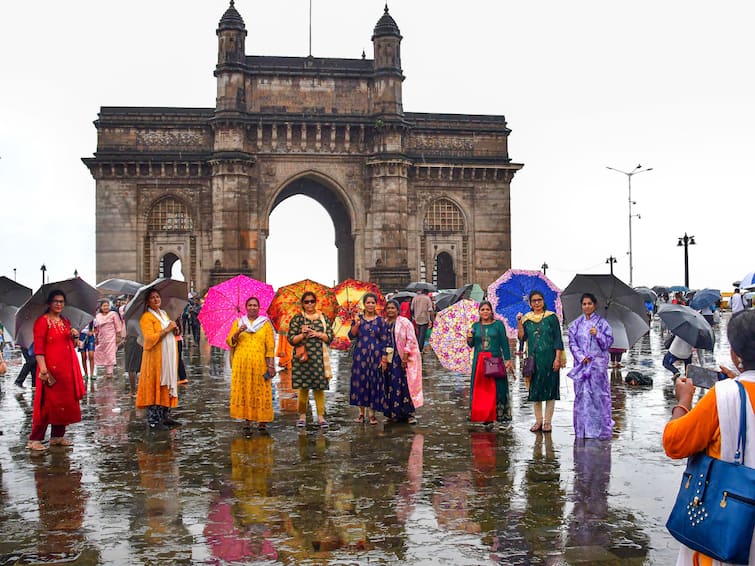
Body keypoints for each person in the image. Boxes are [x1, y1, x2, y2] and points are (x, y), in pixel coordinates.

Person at [663, 309, 755, 564]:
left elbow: (674, 444)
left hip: (730, 525)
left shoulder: (724, 396)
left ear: (736, 354)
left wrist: (683, 401)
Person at [27, 290, 85, 451]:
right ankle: (34, 439)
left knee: (63, 404)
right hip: (49, 370)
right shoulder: (42, 322)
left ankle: (57, 437)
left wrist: (74, 336)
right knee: (46, 405)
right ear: (49, 303)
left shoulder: (65, 321)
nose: (59, 304)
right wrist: (43, 369)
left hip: (66, 370)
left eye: (61, 301)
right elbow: (38, 348)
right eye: (55, 301)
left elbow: (70, 346)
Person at [567, 293, 614, 440]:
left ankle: (600, 429)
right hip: (582, 366)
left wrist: (598, 334)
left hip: (597, 368)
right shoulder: (576, 324)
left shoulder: (602, 323)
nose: (587, 306)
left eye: (589, 303)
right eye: (584, 304)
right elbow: (572, 343)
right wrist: (581, 357)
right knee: (582, 396)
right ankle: (583, 430)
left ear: (595, 305)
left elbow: (608, 343)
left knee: (599, 397)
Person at [517, 290, 564, 433]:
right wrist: (519, 322)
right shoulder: (526, 319)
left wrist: (557, 359)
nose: (537, 303)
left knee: (550, 390)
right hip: (534, 360)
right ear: (530, 303)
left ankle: (548, 423)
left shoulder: (552, 318)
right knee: (535, 391)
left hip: (550, 359)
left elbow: (558, 339)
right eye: (534, 301)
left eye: (539, 300)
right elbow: (522, 338)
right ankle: (538, 421)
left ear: (543, 301)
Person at [226, 297, 275, 432]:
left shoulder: (265, 324)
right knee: (245, 390)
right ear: (245, 307)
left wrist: (271, 365)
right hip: (241, 363)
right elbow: (230, 342)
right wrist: (238, 331)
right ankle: (247, 419)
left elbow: (270, 346)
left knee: (260, 390)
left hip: (260, 363)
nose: (252, 307)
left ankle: (262, 420)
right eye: (250, 305)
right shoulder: (238, 322)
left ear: (259, 308)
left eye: (255, 305)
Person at [135, 289, 181, 431]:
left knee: (167, 384)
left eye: (157, 297)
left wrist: (175, 330)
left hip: (167, 356)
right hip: (155, 358)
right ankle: (153, 420)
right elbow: (148, 339)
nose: (156, 299)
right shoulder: (146, 318)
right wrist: (167, 329)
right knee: (155, 384)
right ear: (148, 302)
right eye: (152, 298)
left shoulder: (164, 314)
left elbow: (170, 332)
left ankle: (164, 416)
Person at [287, 291, 334, 428]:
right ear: (302, 303)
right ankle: (302, 416)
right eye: (306, 302)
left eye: (312, 301)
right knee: (303, 388)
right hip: (303, 358)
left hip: (319, 358)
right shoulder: (297, 319)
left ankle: (321, 417)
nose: (309, 304)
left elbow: (329, 337)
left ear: (315, 302)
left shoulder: (323, 318)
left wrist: (317, 334)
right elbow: (291, 339)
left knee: (319, 388)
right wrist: (302, 334)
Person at [467, 300, 513, 427]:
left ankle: (499, 415)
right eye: (482, 310)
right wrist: (469, 337)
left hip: (495, 359)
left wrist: (508, 359)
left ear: (491, 311)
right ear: (479, 312)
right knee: (482, 390)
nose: (485, 312)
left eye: (487, 309)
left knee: (497, 388)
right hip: (479, 361)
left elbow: (504, 342)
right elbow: (471, 345)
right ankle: (484, 415)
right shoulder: (475, 326)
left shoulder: (498, 325)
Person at [349, 292, 388, 425]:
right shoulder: (358, 319)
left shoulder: (380, 321)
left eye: (372, 302)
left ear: (375, 304)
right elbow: (351, 335)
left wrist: (384, 358)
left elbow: (384, 340)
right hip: (360, 356)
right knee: (360, 382)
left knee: (373, 383)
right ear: (364, 304)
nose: (370, 305)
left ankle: (372, 415)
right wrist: (356, 324)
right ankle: (361, 414)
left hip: (376, 356)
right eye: (368, 302)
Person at [383, 299, 421, 424]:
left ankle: (408, 413)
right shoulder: (384, 323)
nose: (390, 310)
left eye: (393, 308)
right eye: (388, 308)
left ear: (398, 310)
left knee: (404, 384)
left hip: (401, 357)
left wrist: (405, 356)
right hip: (388, 359)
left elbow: (411, 339)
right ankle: (393, 412)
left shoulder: (404, 322)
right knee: (390, 384)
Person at [94, 299, 122, 378]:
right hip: (101, 337)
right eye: (104, 306)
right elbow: (96, 327)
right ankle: (105, 369)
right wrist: (96, 337)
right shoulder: (98, 316)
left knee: (110, 353)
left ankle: (109, 372)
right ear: (101, 307)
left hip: (111, 337)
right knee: (100, 352)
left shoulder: (113, 314)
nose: (106, 307)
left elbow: (118, 326)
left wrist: (118, 336)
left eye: (107, 306)